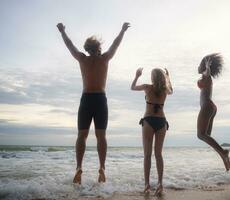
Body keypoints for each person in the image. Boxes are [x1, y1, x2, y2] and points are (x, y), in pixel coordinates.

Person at [57, 22, 130, 184]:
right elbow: (115, 44)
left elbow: (70, 45)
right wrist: (122, 30)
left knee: (81, 135)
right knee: (101, 136)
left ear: (87, 48)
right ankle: (102, 167)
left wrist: (62, 31)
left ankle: (78, 167)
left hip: (86, 99)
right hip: (100, 100)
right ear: (98, 47)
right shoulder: (105, 59)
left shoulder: (82, 59)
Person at [131, 67, 173, 195]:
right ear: (162, 78)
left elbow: (132, 87)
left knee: (147, 155)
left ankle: (147, 185)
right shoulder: (166, 90)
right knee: (158, 154)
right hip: (161, 121)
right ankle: (160, 184)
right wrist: (168, 77)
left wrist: (137, 75)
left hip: (148, 120)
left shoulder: (147, 87)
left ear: (152, 78)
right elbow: (171, 90)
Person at [197, 53, 230, 171]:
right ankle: (223, 156)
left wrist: (207, 67)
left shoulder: (207, 76)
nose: (198, 66)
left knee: (200, 135)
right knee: (207, 135)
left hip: (207, 106)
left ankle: (223, 153)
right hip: (211, 107)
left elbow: (207, 72)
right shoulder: (205, 78)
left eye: (200, 64)